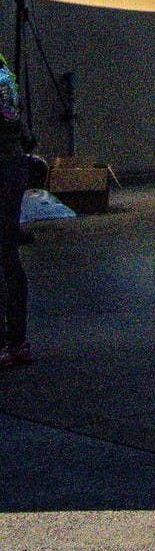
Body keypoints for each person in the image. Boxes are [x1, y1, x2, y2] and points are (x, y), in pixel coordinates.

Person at [0, 48, 32, 369]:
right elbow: (21, 130)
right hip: (13, 165)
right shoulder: (5, 74)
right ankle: (17, 340)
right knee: (8, 255)